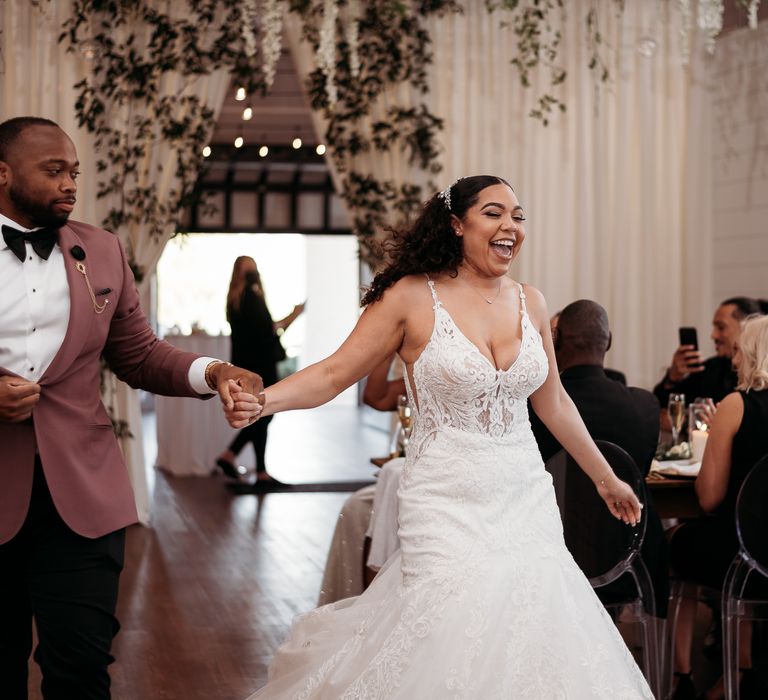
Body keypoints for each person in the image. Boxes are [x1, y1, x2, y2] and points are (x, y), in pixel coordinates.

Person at [232, 175, 652, 698]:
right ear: (457, 224)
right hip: (444, 500)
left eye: (518, 217)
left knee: (537, 631)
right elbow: (335, 373)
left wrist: (605, 478)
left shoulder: (532, 302)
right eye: (494, 213)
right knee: (446, 632)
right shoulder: (410, 298)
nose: (511, 227)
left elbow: (554, 402)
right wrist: (262, 401)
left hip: (524, 498)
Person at [0, 117, 263, 700]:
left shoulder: (100, 250)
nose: (70, 184)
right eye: (53, 171)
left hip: (82, 495)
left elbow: (139, 354)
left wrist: (213, 371)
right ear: (2, 173)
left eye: (74, 172)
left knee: (81, 667)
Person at [530, 299, 668, 617]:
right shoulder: (644, 406)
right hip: (627, 559)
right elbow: (640, 477)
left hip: (549, 558)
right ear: (609, 341)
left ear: (556, 340)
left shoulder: (531, 407)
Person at [668, 314, 768, 700]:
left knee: (672, 543)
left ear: (754, 355)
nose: (734, 361)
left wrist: (712, 438)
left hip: (739, 555)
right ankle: (741, 670)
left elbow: (708, 498)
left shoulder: (736, 405)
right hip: (757, 553)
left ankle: (683, 677)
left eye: (740, 352)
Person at [215, 256, 304, 484]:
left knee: (259, 415)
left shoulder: (235, 300)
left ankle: (240, 461)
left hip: (247, 364)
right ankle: (245, 463)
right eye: (250, 270)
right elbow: (269, 332)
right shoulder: (251, 297)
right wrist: (293, 316)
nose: (254, 274)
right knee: (262, 414)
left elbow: (264, 330)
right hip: (259, 366)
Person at [654, 297, 762, 408]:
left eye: (721, 327)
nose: (713, 335)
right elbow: (661, 406)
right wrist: (673, 377)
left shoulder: (762, 377)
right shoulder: (710, 368)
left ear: (747, 328)